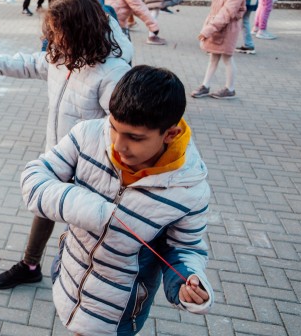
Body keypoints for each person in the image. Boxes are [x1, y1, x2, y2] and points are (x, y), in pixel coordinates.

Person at [21, 65, 214, 335]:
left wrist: (187, 282)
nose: (118, 145)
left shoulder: (190, 190)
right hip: (68, 281)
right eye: (113, 127)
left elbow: (185, 249)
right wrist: (92, 209)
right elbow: (33, 180)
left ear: (170, 134)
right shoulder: (87, 135)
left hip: (117, 312)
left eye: (135, 138)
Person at [0, 0, 132, 291]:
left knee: (84, 223)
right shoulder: (62, 57)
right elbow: (30, 64)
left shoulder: (112, 73)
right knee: (44, 206)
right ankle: (30, 266)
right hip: (58, 153)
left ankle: (88, 278)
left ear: (79, 31)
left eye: (59, 33)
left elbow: (123, 126)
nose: (53, 39)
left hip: (91, 168)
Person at [184, 0, 260, 100]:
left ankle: (230, 89)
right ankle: (205, 86)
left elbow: (225, 15)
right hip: (218, 28)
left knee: (227, 58)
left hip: (227, 31)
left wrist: (207, 30)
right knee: (214, 57)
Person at [67, 0, 132, 56]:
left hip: (71, 59)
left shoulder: (62, 12)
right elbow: (120, 42)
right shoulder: (107, 12)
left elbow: (49, 44)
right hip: (104, 58)